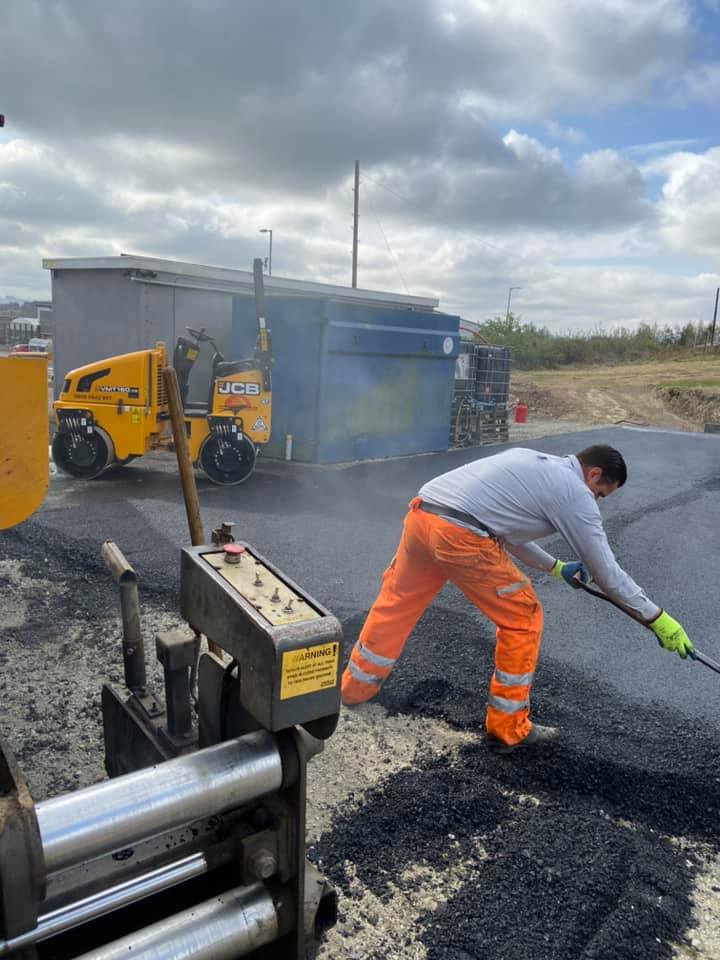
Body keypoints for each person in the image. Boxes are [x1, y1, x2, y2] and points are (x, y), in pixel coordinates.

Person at [340, 445, 692, 752]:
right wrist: (657, 618)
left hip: (423, 515)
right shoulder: (574, 493)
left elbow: (500, 525)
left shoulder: (530, 462)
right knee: (523, 618)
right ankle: (508, 727)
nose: (596, 501)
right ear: (593, 473)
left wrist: (555, 567)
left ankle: (354, 689)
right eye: (601, 493)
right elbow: (608, 575)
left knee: (398, 601)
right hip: (461, 535)